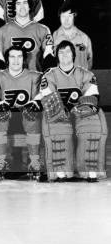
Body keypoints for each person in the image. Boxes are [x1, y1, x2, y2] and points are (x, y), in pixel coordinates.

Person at [39, 40, 105, 182]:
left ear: (73, 54)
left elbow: (93, 98)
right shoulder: (49, 76)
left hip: (81, 113)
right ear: (57, 55)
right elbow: (48, 98)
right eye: (60, 52)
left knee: (91, 124)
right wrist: (64, 111)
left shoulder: (86, 74)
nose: (64, 55)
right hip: (60, 114)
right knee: (59, 126)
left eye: (68, 52)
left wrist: (77, 110)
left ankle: (89, 169)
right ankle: (61, 169)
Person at [0, 46, 43, 181]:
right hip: (6, 117)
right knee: (0, 114)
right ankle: (0, 161)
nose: (16, 60)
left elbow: (37, 99)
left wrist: (33, 105)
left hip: (26, 117)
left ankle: (34, 161)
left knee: (32, 113)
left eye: (19, 56)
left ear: (24, 59)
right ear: (7, 59)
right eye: (12, 56)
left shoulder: (34, 76)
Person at [0, 0, 54, 72]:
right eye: (18, 4)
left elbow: (48, 54)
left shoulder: (43, 29)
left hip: (36, 76)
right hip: (10, 79)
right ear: (14, 8)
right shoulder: (1, 31)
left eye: (25, 3)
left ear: (30, 7)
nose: (22, 7)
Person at [52, 3, 92, 69]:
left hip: (80, 77)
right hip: (62, 78)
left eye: (69, 16)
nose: (66, 20)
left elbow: (89, 60)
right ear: (59, 18)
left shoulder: (84, 37)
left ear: (74, 17)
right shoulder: (54, 37)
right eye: (63, 16)